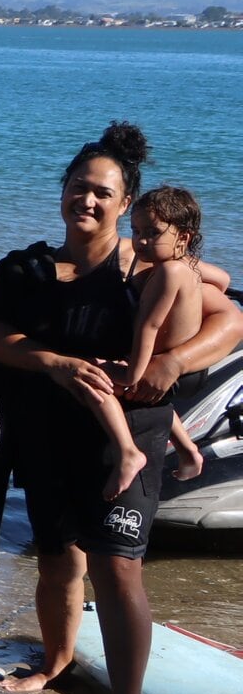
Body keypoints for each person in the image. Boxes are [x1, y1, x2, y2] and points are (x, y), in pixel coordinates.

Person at [0, 124, 243, 694]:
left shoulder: (152, 270)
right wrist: (54, 362)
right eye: (77, 188)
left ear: (127, 205)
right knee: (59, 558)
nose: (86, 201)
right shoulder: (27, 269)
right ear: (62, 192)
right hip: (45, 433)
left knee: (118, 569)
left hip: (131, 437)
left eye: (102, 193)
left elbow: (229, 316)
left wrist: (174, 363)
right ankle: (56, 661)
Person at [89, 185, 219, 494]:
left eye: (153, 232)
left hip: (162, 369)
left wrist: (131, 374)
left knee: (92, 374)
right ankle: (188, 450)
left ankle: (128, 453)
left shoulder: (168, 273)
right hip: (184, 374)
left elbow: (149, 326)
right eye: (135, 231)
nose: (141, 241)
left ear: (183, 238)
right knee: (150, 395)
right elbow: (224, 280)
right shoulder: (186, 268)